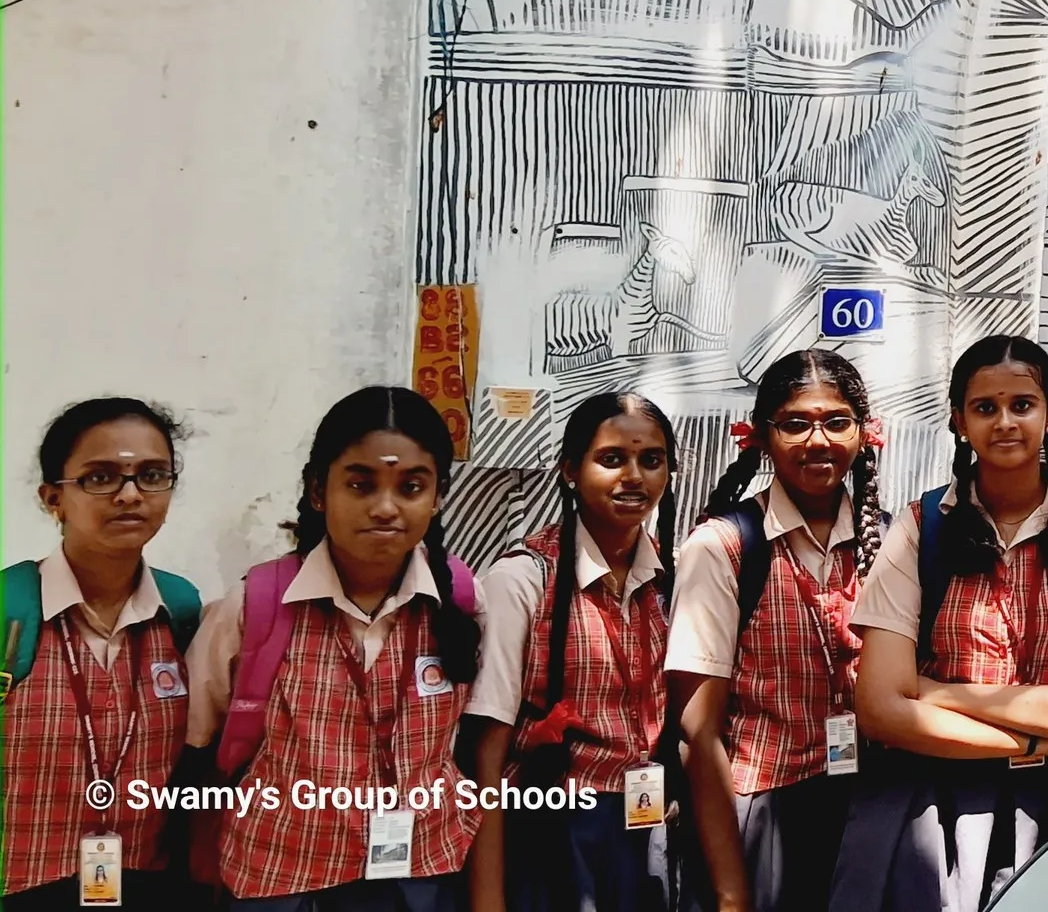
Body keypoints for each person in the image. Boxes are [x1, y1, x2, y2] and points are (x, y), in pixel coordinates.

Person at [830, 336, 1048, 911]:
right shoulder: (921, 527)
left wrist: (938, 692)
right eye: (985, 407)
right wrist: (1029, 739)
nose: (1004, 422)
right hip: (929, 806)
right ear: (959, 421)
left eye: (1022, 405)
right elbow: (879, 706)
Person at [183, 386, 489, 910]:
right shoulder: (255, 604)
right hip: (279, 871)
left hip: (418, 871)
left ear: (438, 497)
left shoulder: (459, 598)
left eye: (412, 486)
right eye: (361, 484)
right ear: (319, 490)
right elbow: (194, 738)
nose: (386, 507)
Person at [665, 350, 884, 912]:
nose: (818, 441)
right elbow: (699, 733)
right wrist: (732, 892)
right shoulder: (723, 547)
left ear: (865, 433)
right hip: (757, 813)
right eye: (795, 424)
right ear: (760, 437)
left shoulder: (888, 542)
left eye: (837, 421)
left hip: (866, 809)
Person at [466, 393, 682, 912]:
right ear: (569, 469)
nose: (634, 476)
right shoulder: (522, 579)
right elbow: (487, 754)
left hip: (650, 827)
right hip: (555, 830)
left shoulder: (669, 582)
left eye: (650, 460)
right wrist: (487, 898)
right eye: (612, 459)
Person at [4, 399, 206, 912]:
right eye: (101, 477)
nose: (130, 495)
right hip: (21, 887)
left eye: (152, 475)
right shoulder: (9, 612)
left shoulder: (181, 612)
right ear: (54, 498)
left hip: (148, 887)